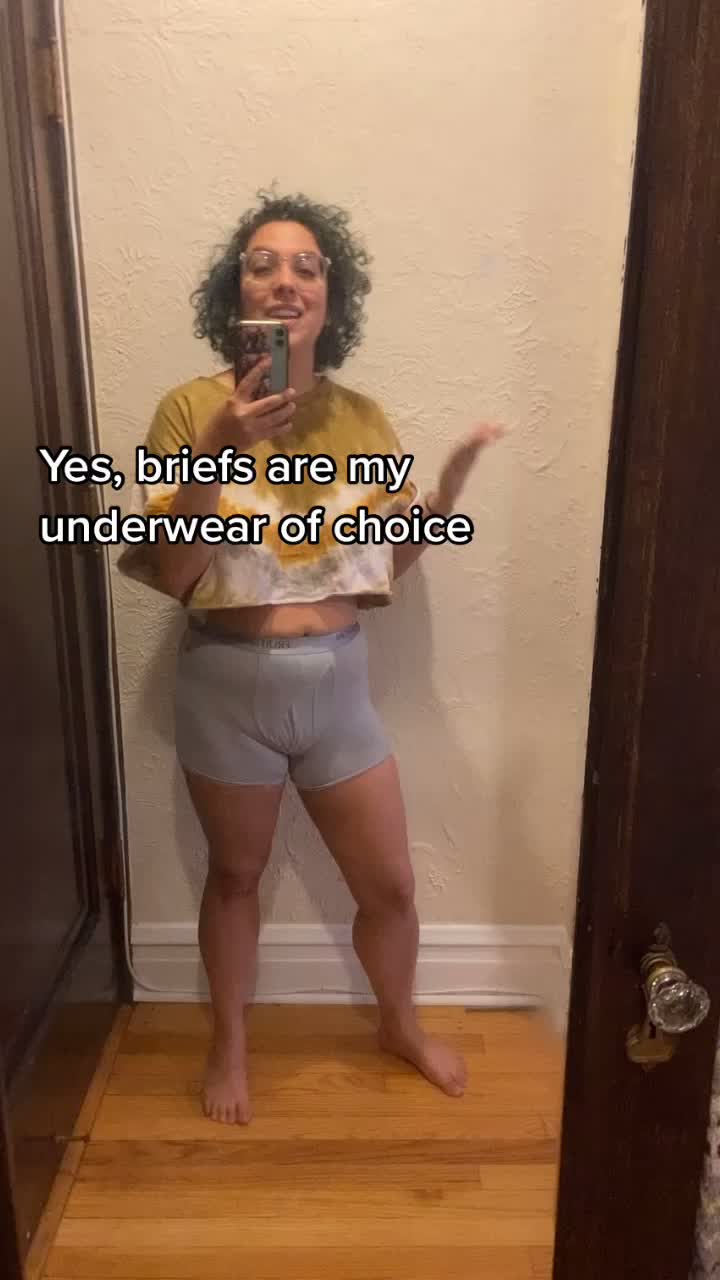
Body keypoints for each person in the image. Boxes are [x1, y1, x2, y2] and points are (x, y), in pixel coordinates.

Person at [119, 192, 502, 1125]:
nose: (285, 280)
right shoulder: (188, 409)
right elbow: (175, 573)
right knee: (234, 878)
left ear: (332, 297)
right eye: (262, 265)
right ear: (237, 294)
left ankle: (399, 1023)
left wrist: (440, 504)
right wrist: (217, 448)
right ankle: (230, 1044)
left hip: (337, 684)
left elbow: (378, 572)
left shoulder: (363, 419)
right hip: (225, 684)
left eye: (306, 267)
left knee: (392, 887)